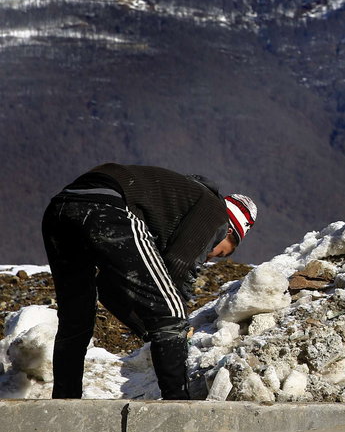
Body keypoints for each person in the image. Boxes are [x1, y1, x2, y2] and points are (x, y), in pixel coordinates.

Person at [41, 163, 257, 399]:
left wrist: (150, 328)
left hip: (61, 208)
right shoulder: (215, 213)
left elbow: (110, 288)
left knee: (76, 318)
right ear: (229, 232)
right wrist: (175, 327)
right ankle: (179, 408)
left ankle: (65, 402)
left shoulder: (176, 205)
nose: (209, 257)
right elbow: (179, 266)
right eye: (221, 252)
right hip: (106, 205)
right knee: (172, 312)